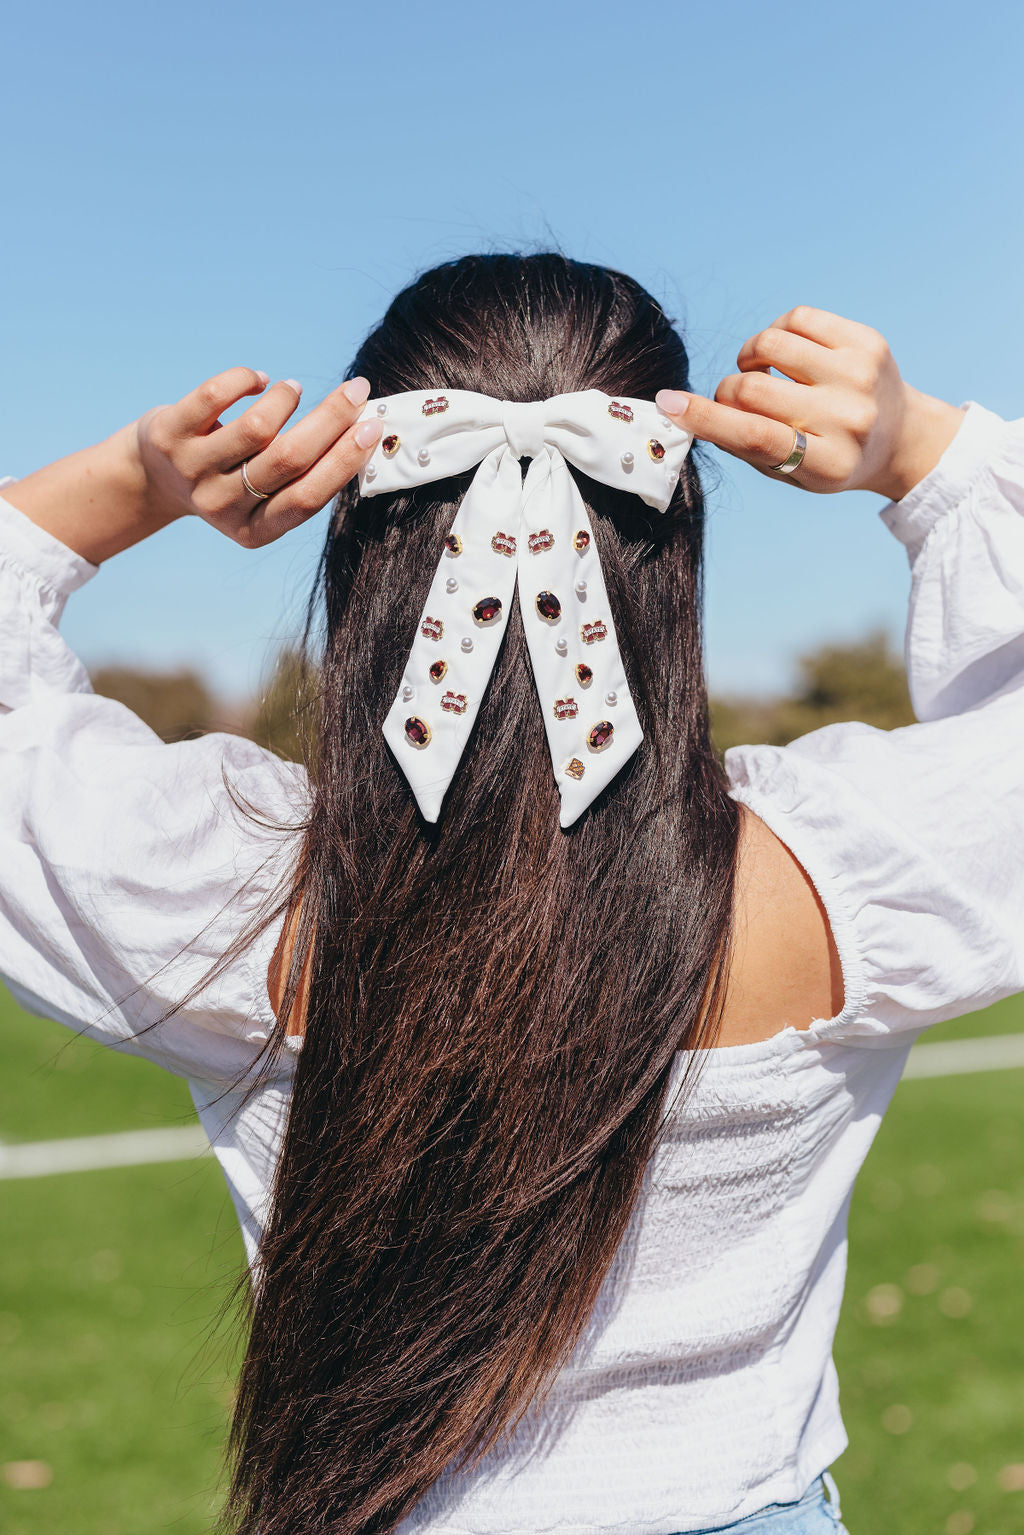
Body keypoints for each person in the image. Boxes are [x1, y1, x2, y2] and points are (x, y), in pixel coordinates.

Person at [0, 253, 1020, 1535]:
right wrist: (926, 453)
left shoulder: (228, 887)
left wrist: (123, 488)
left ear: (361, 528)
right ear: (673, 528)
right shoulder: (845, 874)